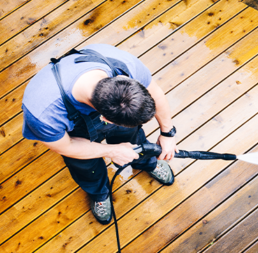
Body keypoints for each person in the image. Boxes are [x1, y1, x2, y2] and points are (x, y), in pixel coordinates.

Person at [21, 44, 178, 224]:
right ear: (106, 119)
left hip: (110, 115)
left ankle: (146, 162)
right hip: (74, 136)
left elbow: (155, 92)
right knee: (86, 166)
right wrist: (111, 151)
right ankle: (99, 192)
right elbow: (66, 147)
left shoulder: (123, 65)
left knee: (133, 137)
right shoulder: (43, 113)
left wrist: (168, 133)